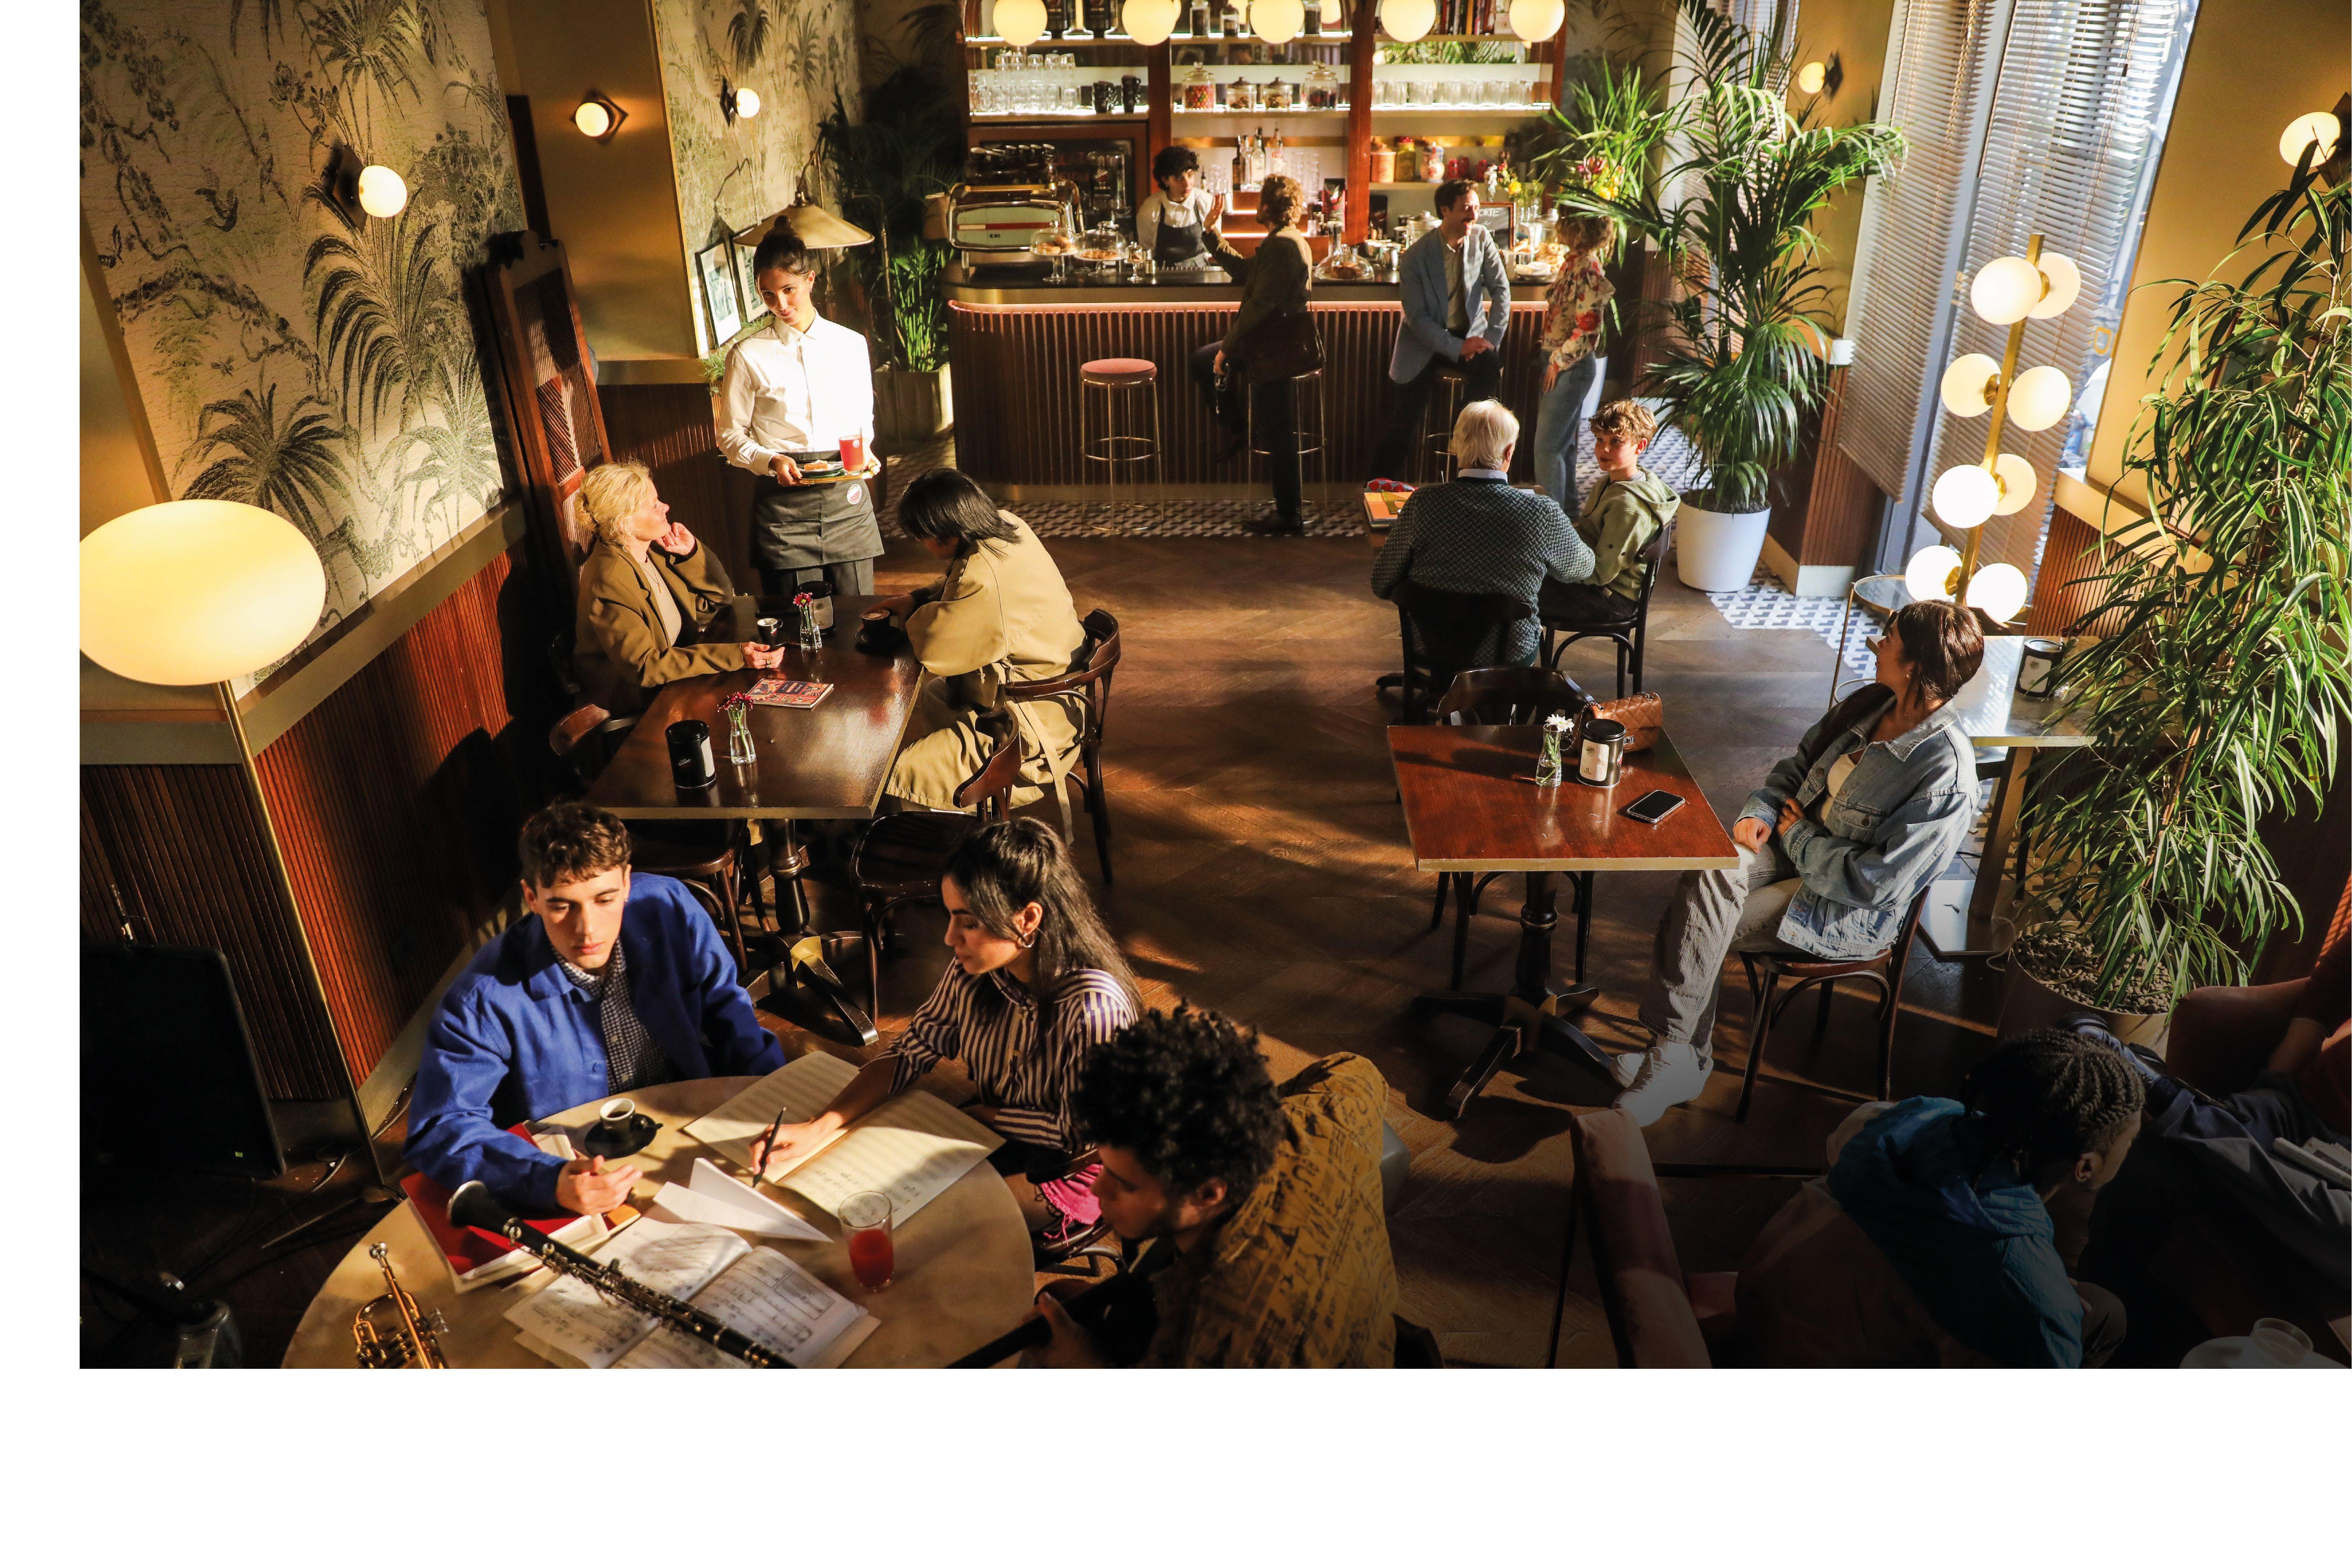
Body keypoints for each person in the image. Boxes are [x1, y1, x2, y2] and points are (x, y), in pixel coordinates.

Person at [1613, 599, 1985, 1124]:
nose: (1877, 642)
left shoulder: (1946, 771)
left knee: (1699, 919)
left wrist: (1800, 836)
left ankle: (1677, 1055)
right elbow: (1794, 768)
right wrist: (1761, 812)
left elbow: (1876, 883)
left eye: (1890, 638)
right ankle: (1679, 1057)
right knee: (1712, 868)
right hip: (1793, 848)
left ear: (1916, 667)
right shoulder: (1869, 704)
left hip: (1845, 905)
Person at [749, 820, 1140, 1245]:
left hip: (1066, 1169)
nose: (950, 937)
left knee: (919, 1226)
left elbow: (1077, 1135)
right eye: (951, 916)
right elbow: (911, 1051)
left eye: (968, 922)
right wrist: (820, 1126)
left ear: (1028, 918)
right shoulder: (976, 970)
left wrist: (992, 1116)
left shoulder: (1091, 1011)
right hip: (990, 1129)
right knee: (873, 1202)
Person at [408, 804, 784, 1214]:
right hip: (575, 1172)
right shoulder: (482, 997)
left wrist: (775, 1101)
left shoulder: (672, 907)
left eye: (605, 899)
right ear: (532, 898)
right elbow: (441, 1128)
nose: (588, 929)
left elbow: (728, 1010)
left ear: (627, 881)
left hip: (688, 1128)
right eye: (562, 906)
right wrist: (547, 1180)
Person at [1735, 1030, 2144, 1367]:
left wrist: (2034, 1276)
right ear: (2085, 1166)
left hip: (1763, 1308)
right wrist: (2034, 1282)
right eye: (2130, 1141)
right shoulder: (2031, 1294)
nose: (2131, 1148)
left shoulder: (1919, 1116)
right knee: (2107, 1314)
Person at [1031, 1008, 1399, 1368]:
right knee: (1059, 1299)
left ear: (1208, 1193)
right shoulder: (1321, 1122)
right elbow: (1356, 1068)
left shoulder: (1221, 1341)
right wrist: (1241, 1121)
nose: (1098, 1189)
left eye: (1124, 1184)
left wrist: (1085, 1364)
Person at [2076, 927, 2350, 1332]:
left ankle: (2180, 1107)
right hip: (2303, 1111)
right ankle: (2085, 1323)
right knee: (2154, 1164)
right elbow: (2341, 968)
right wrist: (2287, 1061)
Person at [870, 467, 1088, 814]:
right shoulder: (1008, 525)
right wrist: (917, 598)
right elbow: (957, 582)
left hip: (1034, 721)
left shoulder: (983, 578)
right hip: (1067, 693)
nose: (923, 545)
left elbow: (933, 649)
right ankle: (961, 805)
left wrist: (914, 615)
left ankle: (952, 829)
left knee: (899, 772)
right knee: (937, 694)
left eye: (922, 537)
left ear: (944, 534)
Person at [715, 223, 883, 600]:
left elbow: (861, 415)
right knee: (797, 619)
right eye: (768, 295)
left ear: (810, 280)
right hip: (783, 505)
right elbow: (729, 435)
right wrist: (771, 460)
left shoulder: (850, 345)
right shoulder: (747, 355)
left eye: (788, 290)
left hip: (845, 492)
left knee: (857, 613)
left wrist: (866, 449)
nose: (781, 305)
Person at [1369, 399, 1595, 668]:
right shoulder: (1541, 512)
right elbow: (1580, 569)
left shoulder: (1422, 503)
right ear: (1509, 452)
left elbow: (1381, 582)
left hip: (1430, 649)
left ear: (1456, 447)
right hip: (1509, 654)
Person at [570, 459, 783, 719]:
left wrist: (691, 554)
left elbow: (717, 599)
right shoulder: (610, 579)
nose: (665, 507)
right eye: (653, 505)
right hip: (648, 705)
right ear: (625, 521)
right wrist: (736, 656)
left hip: (679, 681)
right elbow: (646, 667)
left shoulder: (651, 551)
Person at [1186, 173, 1314, 534]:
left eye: (1259, 200)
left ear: (1268, 206)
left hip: (1275, 350)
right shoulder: (1282, 240)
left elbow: (1259, 307)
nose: (1256, 205)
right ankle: (1238, 429)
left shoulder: (1283, 245)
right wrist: (1211, 233)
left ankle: (1289, 516)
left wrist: (1226, 350)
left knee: (1280, 433)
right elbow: (1245, 272)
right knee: (1202, 361)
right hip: (1271, 344)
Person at [1370, 179, 1513, 483]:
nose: (1473, 216)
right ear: (1445, 211)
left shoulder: (1481, 239)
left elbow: (1501, 290)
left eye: (1476, 208)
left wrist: (1489, 341)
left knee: (1490, 366)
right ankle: (1375, 488)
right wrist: (1456, 347)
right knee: (1404, 425)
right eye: (1466, 209)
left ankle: (1464, 442)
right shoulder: (1416, 256)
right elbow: (1417, 318)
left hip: (1469, 336)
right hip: (1424, 345)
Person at [1538, 399, 1682, 629]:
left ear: (1640, 446)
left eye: (1616, 441)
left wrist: (1551, 566)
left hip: (1612, 599)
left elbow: (1601, 572)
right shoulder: (1612, 481)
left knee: (1519, 589)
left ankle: (1519, 651)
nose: (1604, 449)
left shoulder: (1627, 507)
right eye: (1600, 440)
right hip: (1599, 579)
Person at [1529, 212, 1616, 513]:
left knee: (1547, 448)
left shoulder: (1587, 267)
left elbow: (1588, 328)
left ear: (1578, 229)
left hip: (1570, 366)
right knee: (1562, 446)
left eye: (1565, 221)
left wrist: (1557, 361)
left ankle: (1552, 522)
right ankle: (1567, 514)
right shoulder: (1574, 262)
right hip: (1561, 362)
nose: (1558, 226)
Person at [1135, 145, 1226, 272]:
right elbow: (1147, 252)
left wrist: (1210, 230)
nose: (1187, 184)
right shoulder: (1150, 210)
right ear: (1165, 179)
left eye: (1190, 175)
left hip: (1200, 273)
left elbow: (1215, 247)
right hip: (1164, 275)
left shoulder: (1206, 203)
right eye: (1179, 178)